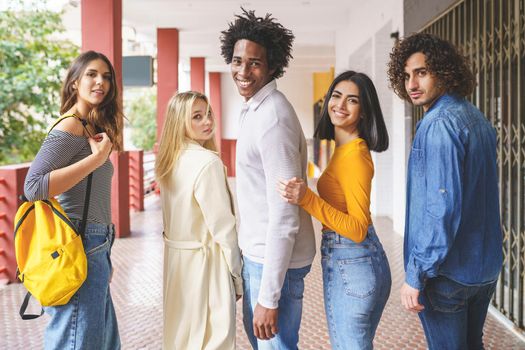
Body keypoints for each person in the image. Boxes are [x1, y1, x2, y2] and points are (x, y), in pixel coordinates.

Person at [387, 32, 503, 349]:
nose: (412, 83)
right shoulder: (477, 118)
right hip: (484, 268)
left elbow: (441, 208)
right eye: (407, 75)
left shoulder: (439, 124)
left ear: (444, 72)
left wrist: (416, 274)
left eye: (422, 72)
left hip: (448, 274)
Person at [220, 8, 316, 349]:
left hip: (275, 265)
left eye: (255, 63)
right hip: (259, 257)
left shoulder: (272, 117)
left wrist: (269, 297)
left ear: (273, 66)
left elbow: (286, 215)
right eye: (237, 60)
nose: (243, 71)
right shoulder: (255, 109)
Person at [279, 70, 392, 349]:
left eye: (352, 100)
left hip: (352, 260)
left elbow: (357, 229)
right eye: (336, 95)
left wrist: (307, 198)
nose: (340, 105)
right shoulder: (343, 150)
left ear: (364, 111)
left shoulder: (355, 155)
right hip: (356, 261)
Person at [24, 51, 122, 349]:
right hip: (79, 242)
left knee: (99, 342)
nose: (100, 81)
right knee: (78, 340)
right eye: (92, 74)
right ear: (74, 83)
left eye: (106, 76)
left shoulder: (92, 127)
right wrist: (95, 161)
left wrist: (103, 253)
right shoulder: (70, 126)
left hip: (95, 245)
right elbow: (34, 186)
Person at [155, 91, 243, 349]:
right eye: (196, 117)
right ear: (179, 120)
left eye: (208, 114)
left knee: (180, 338)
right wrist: (237, 277)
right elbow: (223, 228)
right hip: (206, 265)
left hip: (176, 264)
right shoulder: (207, 163)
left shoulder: (168, 162)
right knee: (215, 339)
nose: (207, 122)